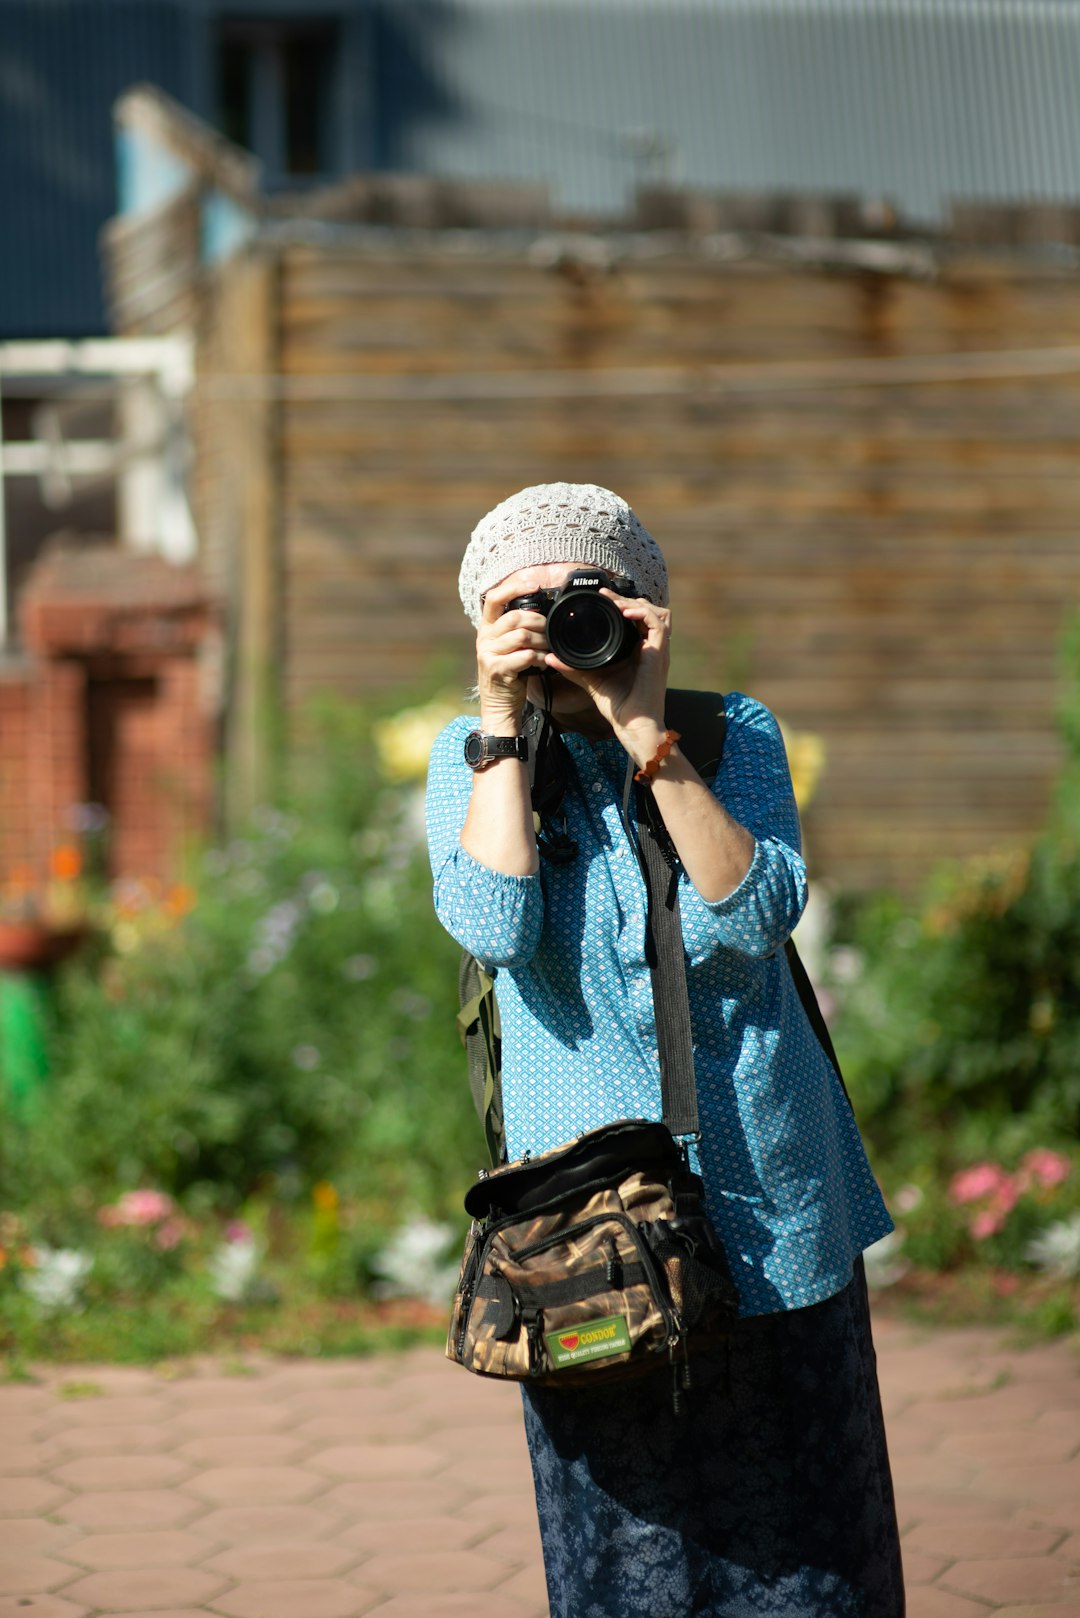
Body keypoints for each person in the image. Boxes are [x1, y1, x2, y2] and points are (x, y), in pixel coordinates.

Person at [426, 482, 905, 1618]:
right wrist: (501, 717)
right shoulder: (475, 752)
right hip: (591, 1231)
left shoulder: (734, 731)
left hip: (763, 1194)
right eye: (527, 604)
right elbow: (497, 928)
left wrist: (648, 731)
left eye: (585, 594)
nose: (561, 623)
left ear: (643, 604)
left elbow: (749, 918)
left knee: (805, 1549)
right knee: (629, 1555)